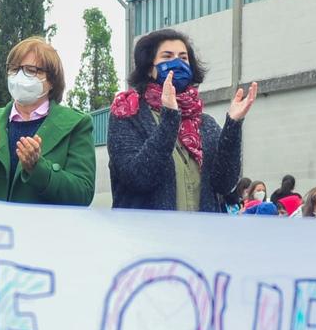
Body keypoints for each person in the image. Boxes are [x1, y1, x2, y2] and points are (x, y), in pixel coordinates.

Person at [108, 27, 257, 212]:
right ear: (149, 68)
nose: (177, 63)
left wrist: (233, 125)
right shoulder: (128, 115)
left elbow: (224, 184)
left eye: (183, 57)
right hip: (147, 237)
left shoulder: (205, 124)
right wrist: (170, 116)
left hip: (200, 237)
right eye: (167, 56)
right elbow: (138, 178)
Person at [0, 37, 96, 206]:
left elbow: (82, 194)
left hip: (41, 231)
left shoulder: (77, 124)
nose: (19, 76)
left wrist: (38, 168)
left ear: (51, 80)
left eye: (31, 70)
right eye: (14, 69)